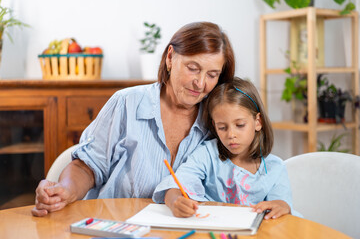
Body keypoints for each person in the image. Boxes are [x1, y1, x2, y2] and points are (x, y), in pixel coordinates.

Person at [31, 21, 235, 217]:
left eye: (212, 75)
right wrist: (65, 190)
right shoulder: (126, 102)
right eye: (193, 68)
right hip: (116, 228)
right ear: (170, 57)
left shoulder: (218, 123)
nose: (200, 83)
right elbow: (86, 166)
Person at [152, 77, 294, 220]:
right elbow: (174, 187)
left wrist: (281, 206)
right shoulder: (207, 154)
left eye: (240, 125)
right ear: (214, 126)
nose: (231, 135)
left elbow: (282, 205)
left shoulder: (275, 167)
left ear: (258, 122)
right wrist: (175, 201)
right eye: (222, 127)